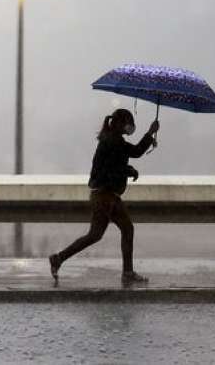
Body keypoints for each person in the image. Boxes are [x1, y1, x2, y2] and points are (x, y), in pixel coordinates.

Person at [48, 108, 159, 286]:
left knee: (118, 230)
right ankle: (59, 258)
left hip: (109, 196)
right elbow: (116, 166)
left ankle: (127, 272)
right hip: (104, 197)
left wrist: (149, 135)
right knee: (99, 234)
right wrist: (149, 135)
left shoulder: (113, 141)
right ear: (120, 124)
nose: (130, 127)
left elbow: (130, 155)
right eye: (128, 123)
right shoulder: (112, 142)